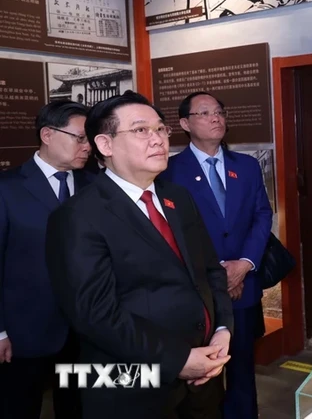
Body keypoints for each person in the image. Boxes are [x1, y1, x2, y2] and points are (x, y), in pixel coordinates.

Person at [44, 91, 234, 419]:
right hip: (133, 386)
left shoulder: (178, 197)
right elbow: (95, 314)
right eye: (141, 130)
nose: (158, 139)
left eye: (160, 129)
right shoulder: (78, 215)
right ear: (105, 145)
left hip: (205, 377)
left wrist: (222, 329)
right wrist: (178, 361)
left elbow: (209, 271)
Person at [160, 92, 272, 419]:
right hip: (197, 292)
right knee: (199, 378)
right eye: (205, 112)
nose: (215, 118)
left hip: (245, 285)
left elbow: (262, 216)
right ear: (184, 123)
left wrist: (244, 264)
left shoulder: (247, 166)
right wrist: (218, 275)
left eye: (220, 112)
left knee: (242, 371)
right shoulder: (168, 170)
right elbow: (170, 229)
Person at [0, 100, 92, 419]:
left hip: (83, 332)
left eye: (90, 137)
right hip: (23, 334)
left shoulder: (93, 186)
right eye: (80, 137)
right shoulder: (7, 189)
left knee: (77, 408)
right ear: (48, 135)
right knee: (20, 408)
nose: (88, 146)